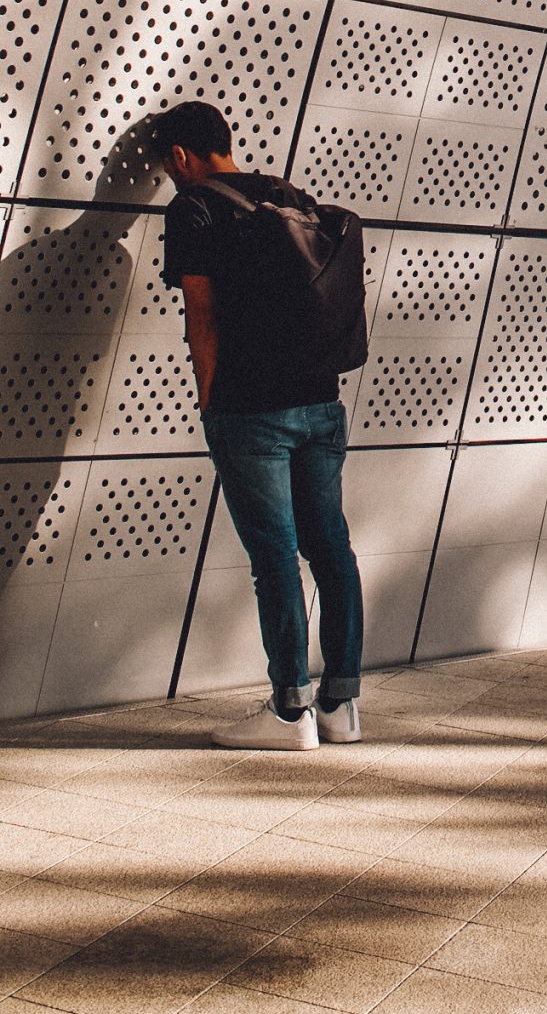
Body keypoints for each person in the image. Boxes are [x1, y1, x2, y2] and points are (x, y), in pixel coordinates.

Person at [155, 101, 365, 750]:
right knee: (329, 547)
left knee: (274, 558)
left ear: (183, 156)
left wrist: (209, 397)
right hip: (322, 403)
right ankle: (341, 706)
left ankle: (288, 712)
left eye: (167, 163)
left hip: (252, 409)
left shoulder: (193, 207)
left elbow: (201, 312)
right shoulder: (289, 196)